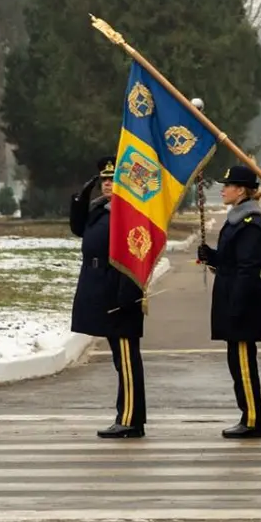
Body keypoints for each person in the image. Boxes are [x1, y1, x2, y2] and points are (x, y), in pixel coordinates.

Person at [69, 156, 146, 439]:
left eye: (113, 180)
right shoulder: (100, 209)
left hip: (119, 292)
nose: (107, 185)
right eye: (103, 180)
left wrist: (126, 295)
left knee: (126, 359)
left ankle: (130, 420)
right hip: (102, 287)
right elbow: (78, 229)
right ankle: (127, 417)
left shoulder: (128, 213)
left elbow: (135, 254)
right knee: (120, 358)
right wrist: (81, 196)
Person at [197, 165, 261, 439]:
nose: (223, 189)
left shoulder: (250, 225)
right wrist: (211, 256)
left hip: (242, 301)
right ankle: (247, 414)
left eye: (228, 185)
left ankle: (252, 419)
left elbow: (247, 269)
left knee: (242, 363)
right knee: (236, 362)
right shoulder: (237, 220)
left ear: (241, 190)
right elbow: (231, 261)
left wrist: (237, 308)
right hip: (232, 296)